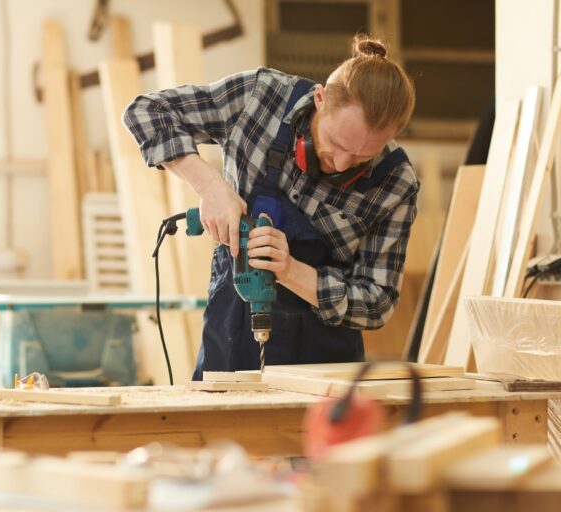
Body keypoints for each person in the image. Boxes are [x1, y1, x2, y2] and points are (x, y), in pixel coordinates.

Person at [122, 35, 418, 380]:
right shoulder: (261, 98)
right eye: (335, 143)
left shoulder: (395, 181)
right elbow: (146, 111)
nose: (340, 164)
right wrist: (211, 187)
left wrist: (291, 270)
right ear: (319, 99)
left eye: (362, 157)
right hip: (232, 332)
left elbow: (376, 302)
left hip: (325, 365)